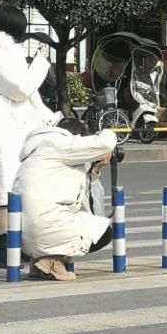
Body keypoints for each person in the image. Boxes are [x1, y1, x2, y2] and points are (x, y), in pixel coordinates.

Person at [0, 4, 61, 268]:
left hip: (14, 131)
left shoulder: (4, 57)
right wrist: (40, 62)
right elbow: (22, 88)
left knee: (17, 187)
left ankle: (15, 243)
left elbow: (27, 94)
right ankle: (4, 246)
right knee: (6, 188)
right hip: (3, 133)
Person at [12, 119, 117, 281]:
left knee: (84, 223)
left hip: (21, 237)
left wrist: (94, 170)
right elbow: (106, 143)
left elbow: (81, 199)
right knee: (105, 233)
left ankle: (39, 262)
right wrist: (108, 132)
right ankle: (52, 261)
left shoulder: (38, 151)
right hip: (45, 229)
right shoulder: (61, 144)